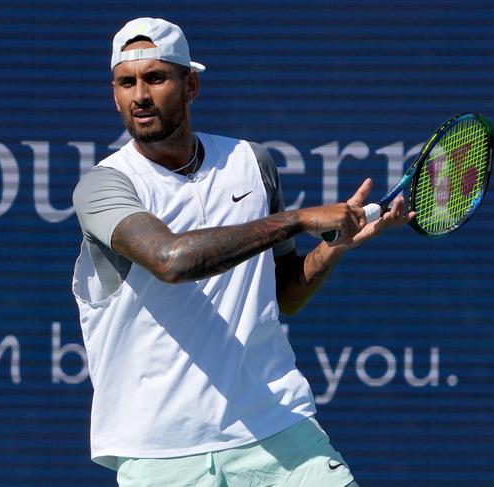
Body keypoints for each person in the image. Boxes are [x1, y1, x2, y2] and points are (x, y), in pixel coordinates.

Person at [72, 17, 412, 487]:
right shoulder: (103, 185)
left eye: (156, 78)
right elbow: (172, 261)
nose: (140, 96)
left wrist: (333, 249)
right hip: (160, 452)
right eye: (126, 83)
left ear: (190, 84)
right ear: (114, 94)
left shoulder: (252, 164)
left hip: (277, 426)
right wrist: (298, 219)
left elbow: (285, 294)